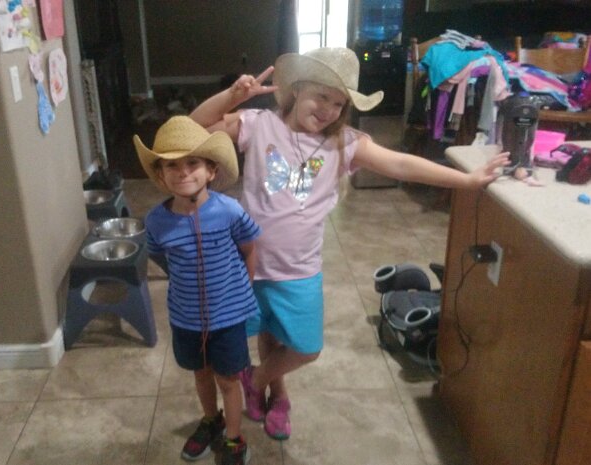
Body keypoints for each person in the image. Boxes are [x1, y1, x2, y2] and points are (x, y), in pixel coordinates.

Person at [189, 47, 510, 440]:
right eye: (322, 96)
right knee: (269, 332)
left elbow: (402, 164)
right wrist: (231, 98)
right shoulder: (258, 125)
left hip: (299, 271)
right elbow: (193, 130)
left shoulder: (345, 142)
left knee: (305, 347)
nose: (329, 110)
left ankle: (255, 380)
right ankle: (278, 395)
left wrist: (466, 180)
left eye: (339, 103)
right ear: (298, 89)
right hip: (250, 267)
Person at [133, 116, 261, 465]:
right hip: (186, 318)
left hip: (228, 318)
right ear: (160, 174)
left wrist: (244, 289)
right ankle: (211, 419)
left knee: (228, 380)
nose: (183, 172)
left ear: (211, 170)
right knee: (201, 374)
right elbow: (161, 257)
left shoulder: (229, 211)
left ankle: (234, 438)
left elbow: (249, 248)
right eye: (172, 165)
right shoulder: (156, 221)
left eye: (193, 163)